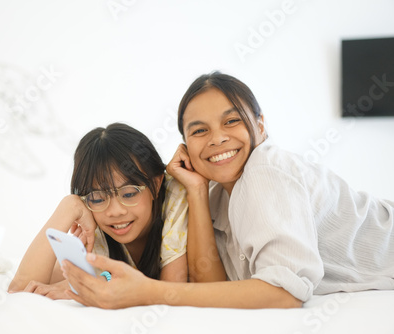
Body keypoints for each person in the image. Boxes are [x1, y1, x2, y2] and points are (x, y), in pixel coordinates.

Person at [61, 71, 394, 309]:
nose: (217, 138)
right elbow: (214, 287)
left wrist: (149, 292)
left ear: (260, 125)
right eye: (200, 130)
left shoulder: (267, 170)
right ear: (185, 146)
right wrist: (194, 190)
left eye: (231, 121)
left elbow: (285, 293)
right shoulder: (216, 195)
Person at [8, 123, 188, 298]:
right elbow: (21, 290)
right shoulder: (93, 217)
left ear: (156, 185)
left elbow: (171, 291)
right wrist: (69, 205)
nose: (115, 211)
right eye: (99, 197)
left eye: (129, 194)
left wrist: (97, 284)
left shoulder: (175, 196)